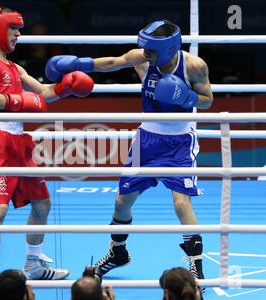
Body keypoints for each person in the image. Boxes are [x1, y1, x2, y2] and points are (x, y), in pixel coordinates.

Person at [45, 19, 213, 282]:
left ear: (169, 49)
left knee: (181, 203)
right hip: (146, 139)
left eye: (151, 50)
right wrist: (79, 64)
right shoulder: (142, 59)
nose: (145, 54)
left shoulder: (194, 66)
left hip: (179, 142)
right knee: (122, 201)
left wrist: (186, 96)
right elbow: (112, 62)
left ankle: (196, 267)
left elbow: (207, 101)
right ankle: (117, 253)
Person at [0, 6, 94, 293]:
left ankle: (33, 265)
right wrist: (19, 101)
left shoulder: (15, 67)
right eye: (13, 28)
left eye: (19, 29)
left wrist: (66, 86)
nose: (18, 34)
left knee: (42, 203)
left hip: (19, 139)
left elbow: (44, 94)